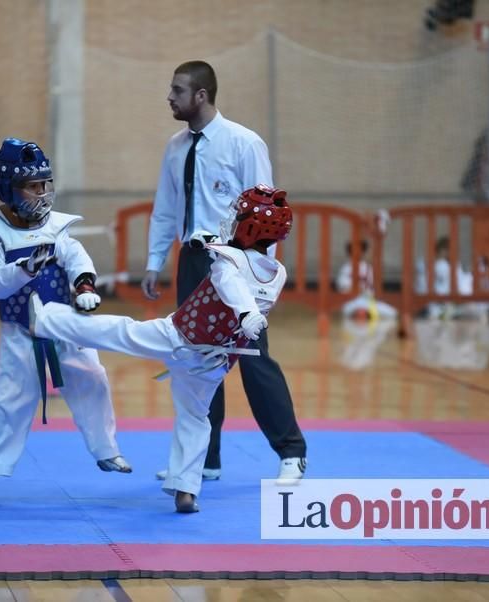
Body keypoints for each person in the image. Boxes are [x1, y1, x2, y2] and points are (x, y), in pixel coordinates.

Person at [31, 185, 295, 513]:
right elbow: (243, 273)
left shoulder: (229, 262)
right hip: (213, 363)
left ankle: (47, 320)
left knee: (119, 332)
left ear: (250, 227)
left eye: (238, 215)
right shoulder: (278, 273)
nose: (232, 219)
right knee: (197, 418)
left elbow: (232, 283)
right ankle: (186, 489)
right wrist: (208, 243)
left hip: (179, 337)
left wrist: (246, 312)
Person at [140, 60, 307, 483]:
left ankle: (292, 452)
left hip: (235, 263)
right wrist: (154, 261)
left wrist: (262, 278)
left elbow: (269, 213)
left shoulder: (243, 144)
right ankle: (204, 458)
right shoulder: (176, 146)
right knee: (196, 361)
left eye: (177, 90)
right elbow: (164, 209)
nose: (169, 97)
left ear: (201, 95)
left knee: (252, 357)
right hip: (192, 261)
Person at [0, 138, 131, 504]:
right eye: (33, 186)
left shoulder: (58, 227)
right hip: (19, 331)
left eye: (45, 184)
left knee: (92, 377)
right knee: (7, 400)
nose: (42, 194)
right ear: (9, 189)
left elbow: (76, 257)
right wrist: (23, 268)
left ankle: (106, 450)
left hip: (64, 324)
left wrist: (84, 284)